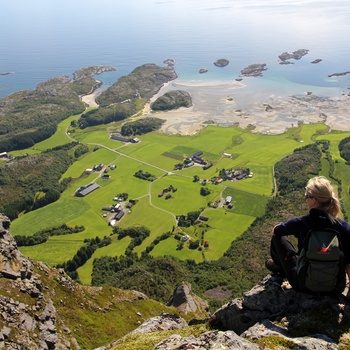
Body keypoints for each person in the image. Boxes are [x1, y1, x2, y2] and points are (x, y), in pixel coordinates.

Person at [266, 176, 350, 292]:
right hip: (335, 288)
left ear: (314, 200)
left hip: (302, 284)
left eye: (307, 196)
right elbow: (348, 261)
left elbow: (276, 231)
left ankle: (281, 268)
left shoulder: (301, 223)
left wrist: (281, 226)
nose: (305, 199)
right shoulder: (343, 227)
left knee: (279, 238)